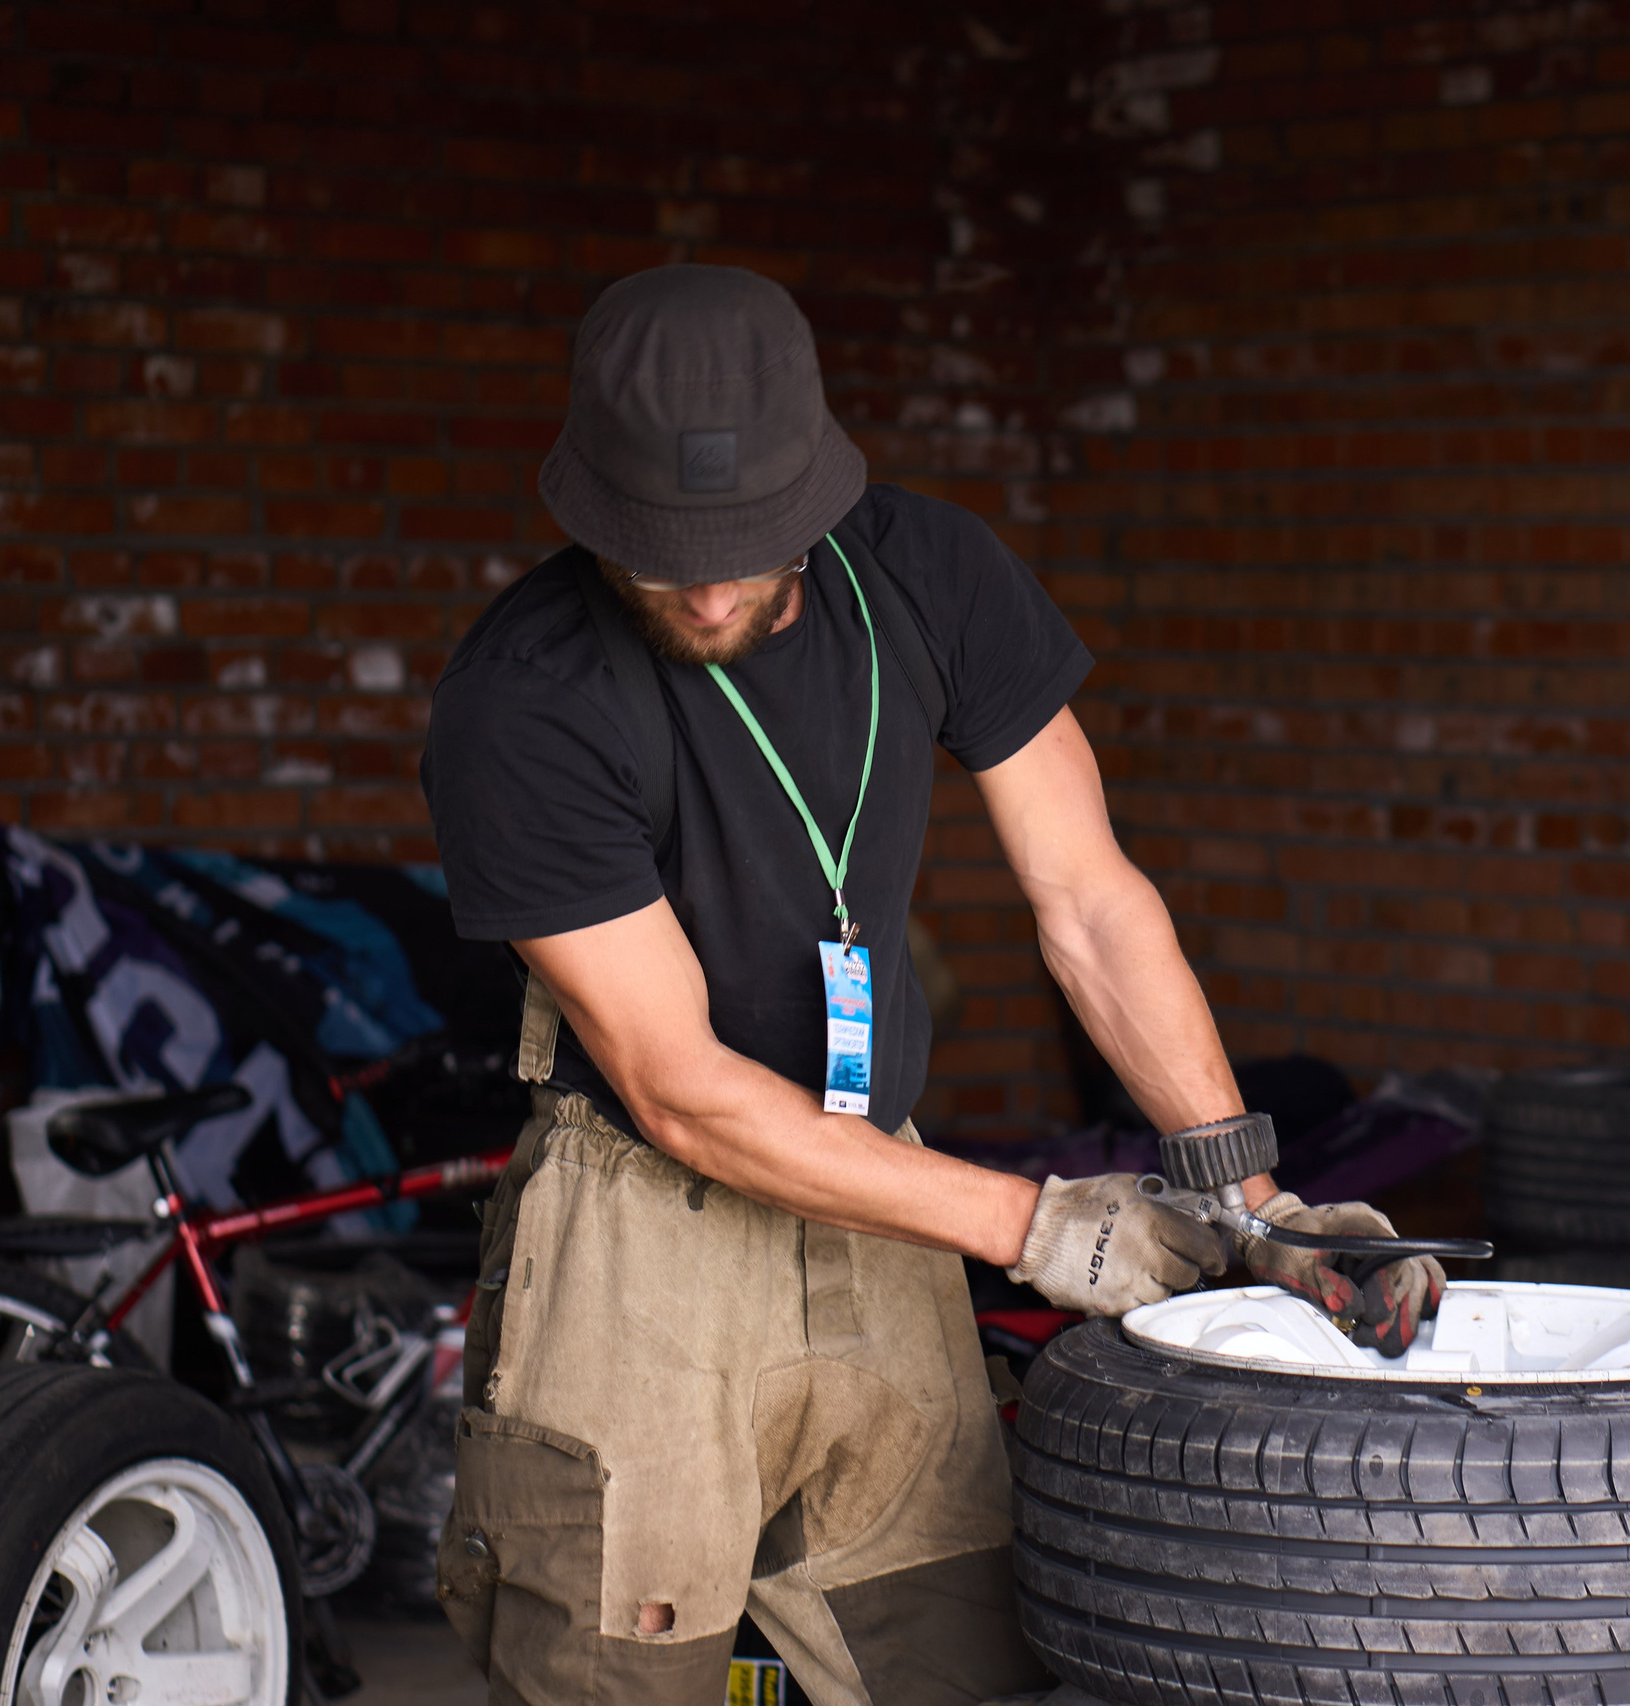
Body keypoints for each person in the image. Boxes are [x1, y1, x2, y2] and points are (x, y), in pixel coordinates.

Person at [420, 265, 1444, 1702]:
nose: (707, 587)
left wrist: (1246, 1193)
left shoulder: (933, 575)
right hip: (640, 1240)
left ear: (816, 489)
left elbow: (1088, 899)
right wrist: (1039, 1226)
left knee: (961, 1658)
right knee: (616, 1673)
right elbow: (682, 1091)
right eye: (661, 553)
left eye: (744, 545)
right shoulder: (521, 700)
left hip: (881, 1200)